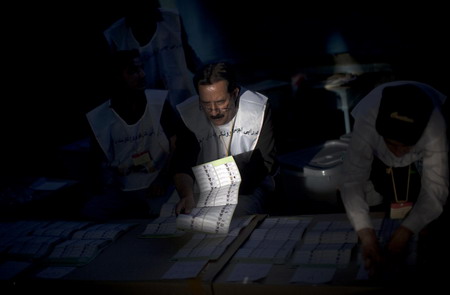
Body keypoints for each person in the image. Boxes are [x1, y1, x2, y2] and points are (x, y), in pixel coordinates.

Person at [339, 81, 448, 278]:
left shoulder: (436, 128)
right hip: (376, 139)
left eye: (404, 147)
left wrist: (405, 232)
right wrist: (366, 234)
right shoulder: (366, 123)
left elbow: (435, 189)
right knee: (377, 188)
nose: (398, 154)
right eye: (392, 145)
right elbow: (352, 181)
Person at [82, 49, 178, 221]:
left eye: (141, 69)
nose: (141, 75)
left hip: (158, 182)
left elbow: (176, 145)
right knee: (92, 211)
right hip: (123, 188)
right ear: (117, 77)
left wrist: (163, 179)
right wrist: (108, 183)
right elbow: (97, 161)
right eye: (133, 71)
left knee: (164, 211)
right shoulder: (101, 116)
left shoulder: (158, 102)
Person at [172, 62, 278, 217]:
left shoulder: (258, 108)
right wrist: (187, 195)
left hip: (248, 187)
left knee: (234, 217)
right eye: (206, 104)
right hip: (201, 187)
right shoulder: (189, 112)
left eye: (221, 102)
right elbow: (182, 162)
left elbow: (264, 164)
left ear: (234, 93)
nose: (214, 111)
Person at [103, 0, 200, 108]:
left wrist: (206, 72)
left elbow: (188, 54)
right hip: (149, 108)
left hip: (185, 98)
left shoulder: (173, 18)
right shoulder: (115, 36)